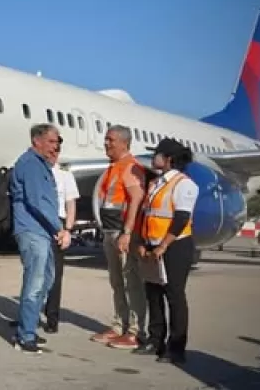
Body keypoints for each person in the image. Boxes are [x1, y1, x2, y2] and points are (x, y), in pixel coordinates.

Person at [133, 138, 198, 365]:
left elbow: (181, 218)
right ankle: (155, 340)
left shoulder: (184, 184)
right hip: (152, 244)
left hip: (175, 246)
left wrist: (163, 245)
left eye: (157, 154)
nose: (153, 157)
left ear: (168, 158)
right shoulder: (155, 183)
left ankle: (176, 348)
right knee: (152, 292)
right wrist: (142, 242)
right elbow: (147, 215)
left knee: (174, 295)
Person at [8, 123, 69, 354]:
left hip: (43, 232)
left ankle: (28, 326)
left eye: (58, 142)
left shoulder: (41, 165)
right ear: (37, 141)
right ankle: (26, 335)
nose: (56, 147)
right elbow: (36, 201)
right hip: (33, 231)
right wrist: (59, 228)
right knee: (35, 282)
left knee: (47, 279)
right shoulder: (31, 164)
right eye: (53, 142)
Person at [92, 125, 148, 350]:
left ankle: (135, 331)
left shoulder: (131, 167)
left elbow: (136, 198)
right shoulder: (112, 168)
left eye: (111, 140)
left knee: (131, 282)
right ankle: (119, 325)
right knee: (117, 282)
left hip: (124, 234)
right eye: (106, 139)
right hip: (110, 232)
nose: (106, 143)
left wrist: (127, 232)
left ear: (124, 143)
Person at [43, 154, 79, 333]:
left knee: (55, 274)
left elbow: (70, 204)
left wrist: (68, 230)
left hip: (58, 223)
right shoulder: (37, 172)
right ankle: (30, 315)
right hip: (38, 224)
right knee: (34, 271)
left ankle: (52, 317)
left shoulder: (64, 174)